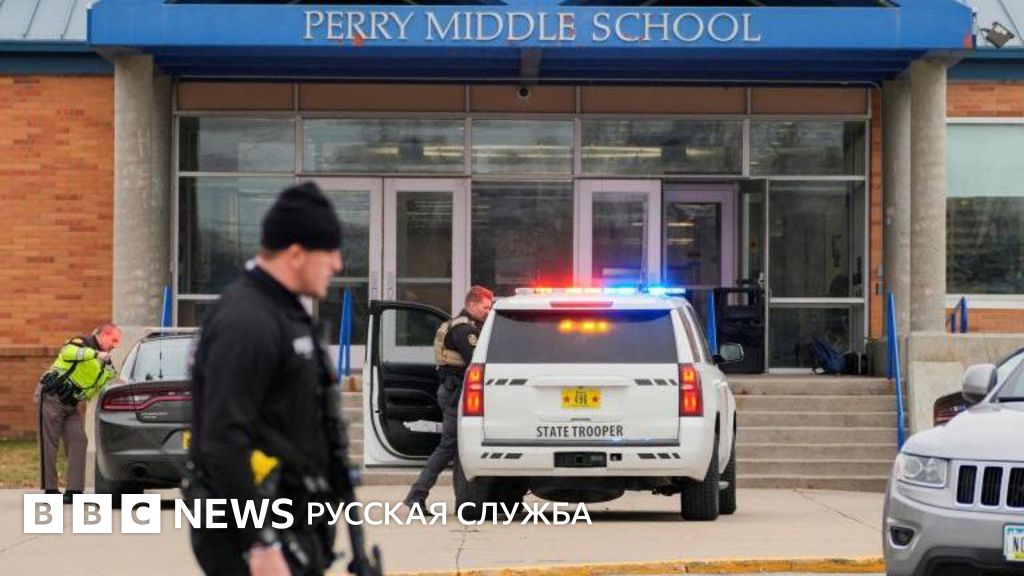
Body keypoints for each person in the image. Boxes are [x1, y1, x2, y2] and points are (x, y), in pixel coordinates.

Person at [188, 182, 347, 576]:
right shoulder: (247, 321)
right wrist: (261, 543)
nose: (337, 264)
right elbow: (223, 441)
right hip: (255, 539)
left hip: (291, 522)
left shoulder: (283, 312)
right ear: (296, 254)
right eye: (329, 251)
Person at [403, 285, 494, 510]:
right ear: (471, 304)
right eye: (485, 307)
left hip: (452, 390)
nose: (488, 311)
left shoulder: (456, 325)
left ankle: (463, 500)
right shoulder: (465, 331)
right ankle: (417, 495)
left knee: (457, 447)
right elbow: (477, 361)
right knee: (449, 446)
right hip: (456, 393)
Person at [37, 323, 121, 504]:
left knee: (79, 441)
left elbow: (108, 380)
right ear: (103, 335)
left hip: (71, 404)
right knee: (50, 443)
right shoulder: (82, 342)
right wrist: (95, 354)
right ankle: (50, 489)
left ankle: (73, 491)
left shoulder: (105, 360)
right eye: (113, 340)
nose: (115, 345)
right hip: (52, 396)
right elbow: (67, 353)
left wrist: (122, 383)